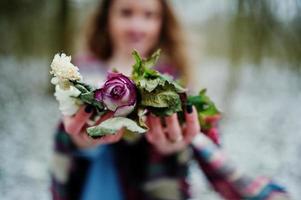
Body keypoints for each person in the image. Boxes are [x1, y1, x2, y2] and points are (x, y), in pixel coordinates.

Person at [50, 0, 289, 199]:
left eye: (149, 15)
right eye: (126, 13)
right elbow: (65, 141)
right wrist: (83, 142)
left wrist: (176, 146)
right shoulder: (80, 73)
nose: (137, 26)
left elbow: (206, 142)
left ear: (162, 22)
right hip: (98, 188)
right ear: (107, 18)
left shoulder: (174, 81)